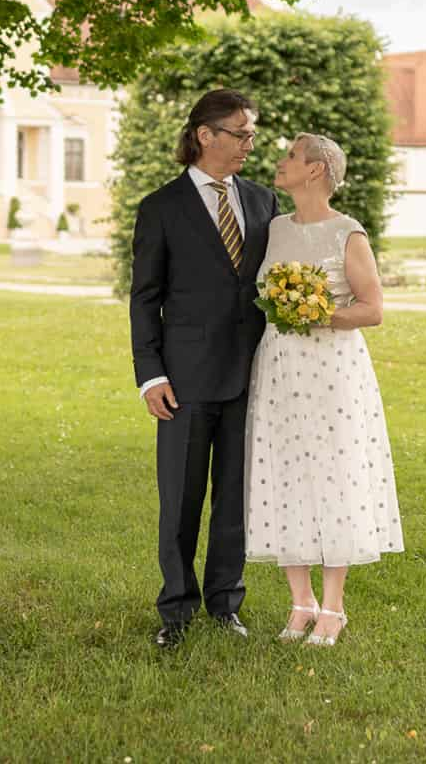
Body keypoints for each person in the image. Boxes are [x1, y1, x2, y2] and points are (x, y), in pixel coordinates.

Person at [130, 89, 279, 648]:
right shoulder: (161, 207)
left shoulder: (264, 201)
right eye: (239, 133)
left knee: (235, 498)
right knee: (181, 498)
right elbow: (145, 298)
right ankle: (176, 609)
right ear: (205, 135)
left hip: (252, 374)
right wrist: (151, 374)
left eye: (252, 134)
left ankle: (225, 605)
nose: (249, 144)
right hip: (184, 379)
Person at [244, 133, 403, 647]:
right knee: (284, 470)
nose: (280, 161)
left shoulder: (348, 234)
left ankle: (333, 608)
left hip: (333, 370)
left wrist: (318, 314)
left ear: (315, 171)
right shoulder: (274, 230)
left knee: (335, 474)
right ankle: (299, 603)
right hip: (280, 369)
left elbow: (372, 309)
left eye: (290, 155)